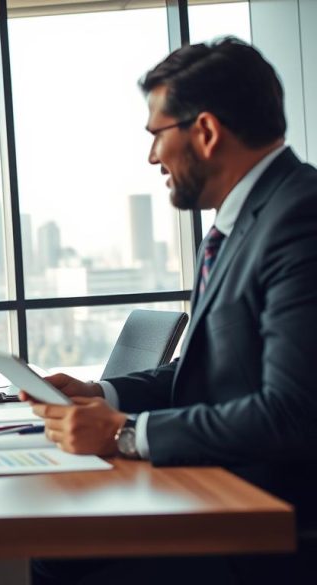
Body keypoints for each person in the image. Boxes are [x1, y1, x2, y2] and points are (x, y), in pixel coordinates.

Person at [24, 38, 317, 584]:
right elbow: (208, 371)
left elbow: (292, 412)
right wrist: (103, 394)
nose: (152, 156)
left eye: (157, 134)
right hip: (216, 489)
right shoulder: (247, 220)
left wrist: (124, 433)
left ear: (204, 132)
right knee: (53, 543)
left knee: (56, 554)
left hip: (266, 528)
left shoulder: (300, 218)